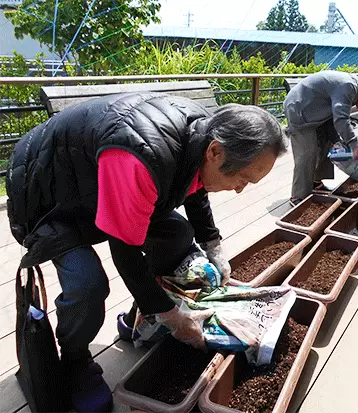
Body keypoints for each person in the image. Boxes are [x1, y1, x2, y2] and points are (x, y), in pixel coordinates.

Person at [6, 93, 287, 412]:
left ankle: (138, 319)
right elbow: (125, 253)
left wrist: (213, 245)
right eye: (241, 179)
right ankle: (75, 360)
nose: (240, 190)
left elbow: (195, 186)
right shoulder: (141, 155)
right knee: (87, 285)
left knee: (178, 233)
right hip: (51, 195)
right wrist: (174, 319)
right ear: (215, 151)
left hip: (98, 183)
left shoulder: (202, 131)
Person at [283, 70, 358, 205]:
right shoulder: (348, 86)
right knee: (307, 152)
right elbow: (341, 119)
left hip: (319, 111)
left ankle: (316, 183)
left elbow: (338, 117)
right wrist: (354, 144)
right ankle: (298, 196)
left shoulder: (354, 88)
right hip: (299, 108)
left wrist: (339, 140)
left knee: (330, 143)